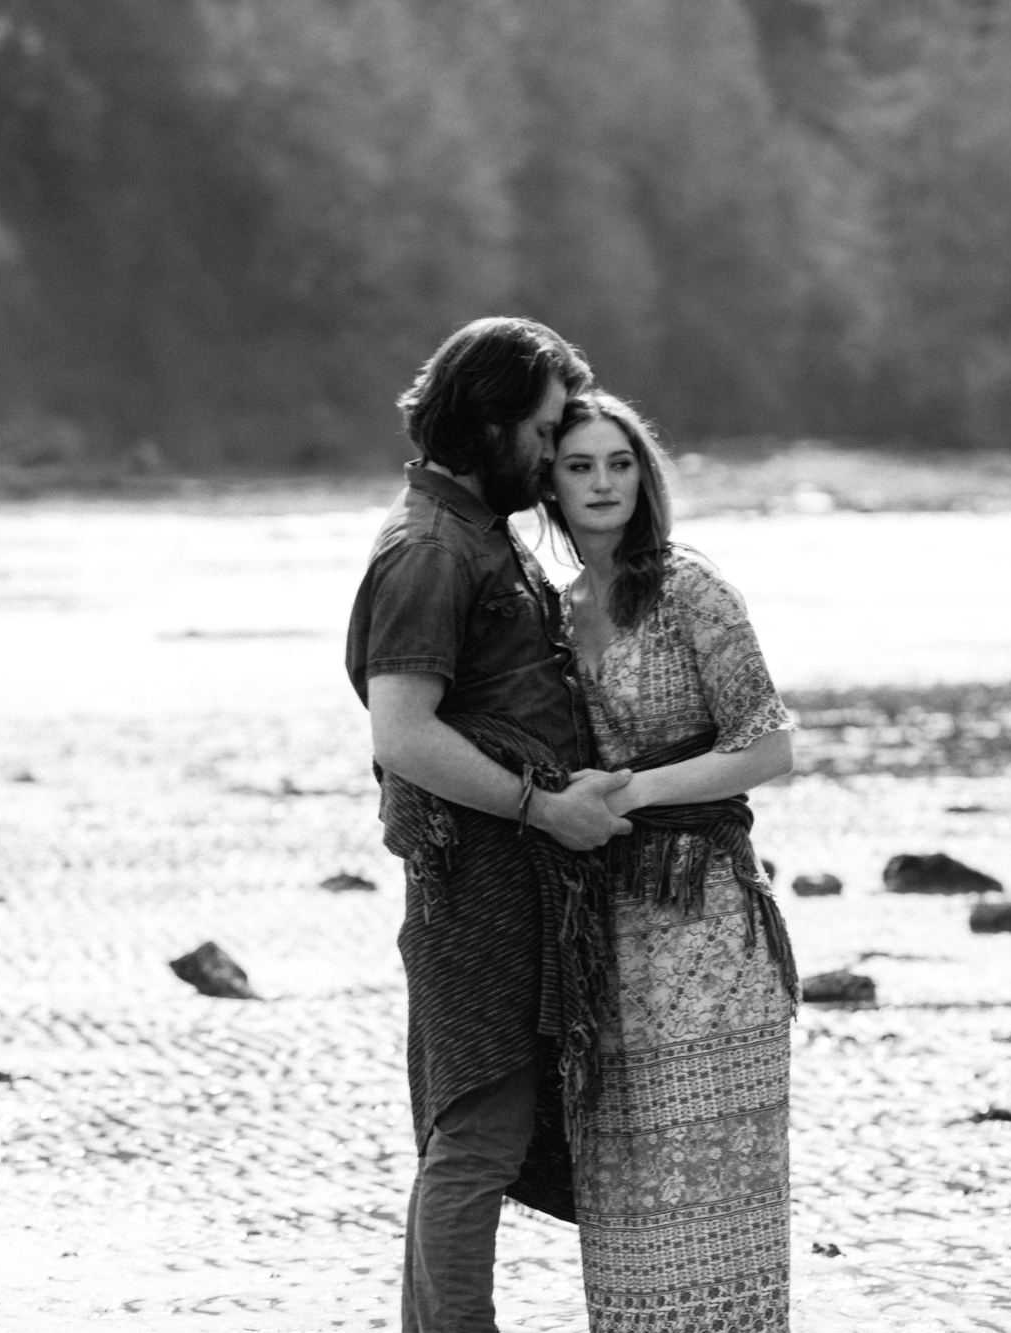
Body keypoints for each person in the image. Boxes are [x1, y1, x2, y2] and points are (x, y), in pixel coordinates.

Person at [344, 317, 635, 1333]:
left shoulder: (476, 533)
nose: (553, 454)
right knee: (477, 1129)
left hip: (513, 880)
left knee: (480, 1131)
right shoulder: (428, 549)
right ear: (490, 421)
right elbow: (403, 731)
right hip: (477, 882)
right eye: (546, 429)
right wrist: (541, 805)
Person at [540, 391, 800, 1331]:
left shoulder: (692, 588)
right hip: (605, 933)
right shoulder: (555, 609)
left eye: (618, 463)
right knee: (622, 1187)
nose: (602, 483)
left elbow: (769, 746)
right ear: (551, 485)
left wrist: (638, 790)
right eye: (579, 466)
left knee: (720, 1197)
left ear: (644, 478)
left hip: (708, 922)